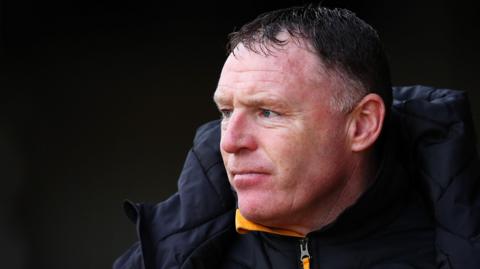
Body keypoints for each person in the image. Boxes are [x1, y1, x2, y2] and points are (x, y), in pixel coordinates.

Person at [114, 5, 480, 269]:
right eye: (226, 112)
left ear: (363, 125)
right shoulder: (163, 255)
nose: (230, 142)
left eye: (268, 112)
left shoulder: (455, 243)